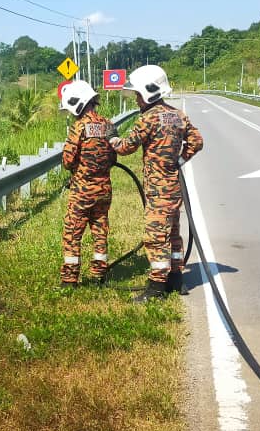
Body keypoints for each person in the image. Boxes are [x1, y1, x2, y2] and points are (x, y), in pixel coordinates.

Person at [109, 65, 203, 301]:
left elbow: (125, 147)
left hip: (158, 189)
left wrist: (111, 137)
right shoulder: (178, 115)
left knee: (155, 236)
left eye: (138, 95)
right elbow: (197, 141)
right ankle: (176, 279)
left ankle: (156, 288)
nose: (137, 100)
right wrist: (179, 160)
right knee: (172, 234)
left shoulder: (148, 119)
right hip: (174, 187)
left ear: (149, 92)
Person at [58, 79, 116, 287]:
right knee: (100, 230)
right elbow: (114, 156)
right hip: (104, 190)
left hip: (82, 191)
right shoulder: (109, 125)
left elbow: (67, 161)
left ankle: (69, 279)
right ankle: (99, 275)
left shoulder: (79, 127)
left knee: (73, 232)